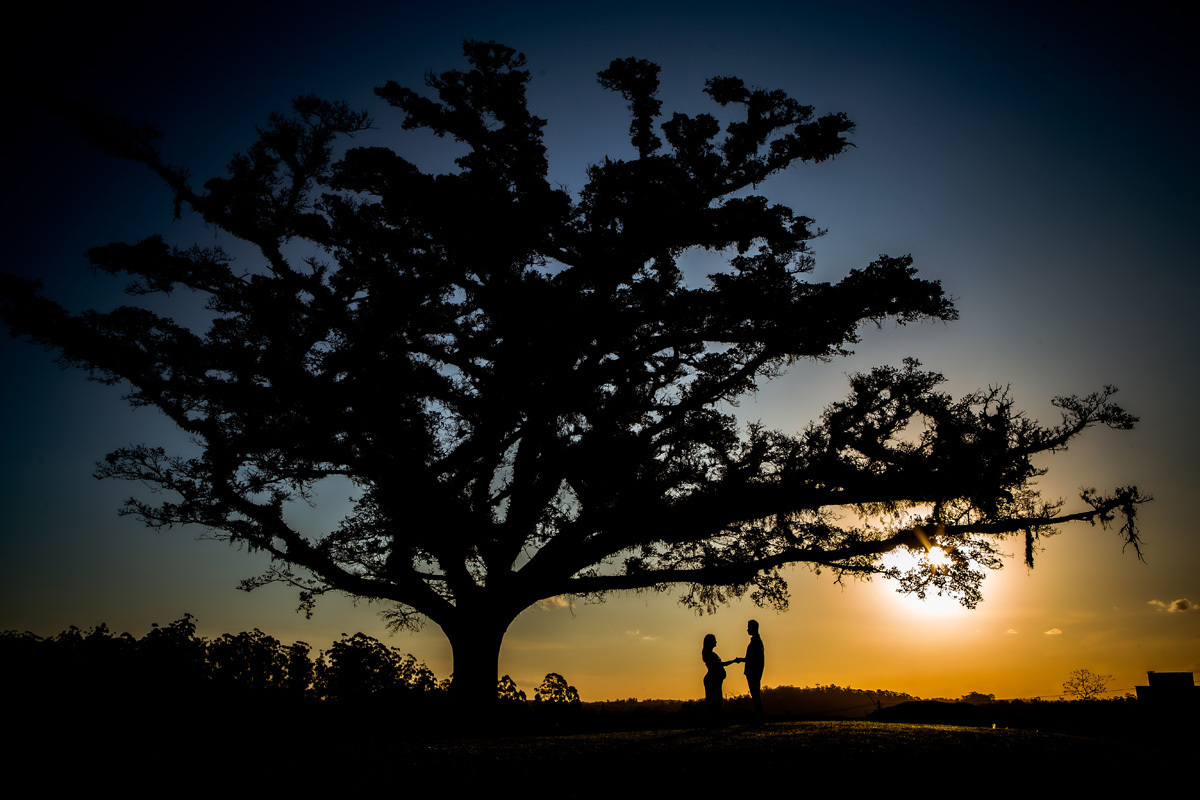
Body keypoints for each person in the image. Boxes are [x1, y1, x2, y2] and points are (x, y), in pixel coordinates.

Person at [701, 633, 738, 717]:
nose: (716, 642)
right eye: (714, 640)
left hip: (716, 680)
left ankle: (716, 720)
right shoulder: (708, 655)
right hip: (712, 680)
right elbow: (719, 665)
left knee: (717, 701)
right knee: (714, 701)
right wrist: (733, 661)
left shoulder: (712, 654)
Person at [743, 619, 765, 718]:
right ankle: (758, 716)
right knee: (755, 693)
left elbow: (754, 658)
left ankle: (758, 716)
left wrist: (743, 660)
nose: (747, 630)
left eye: (749, 627)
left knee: (755, 694)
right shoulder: (756, 641)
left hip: (754, 672)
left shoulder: (756, 642)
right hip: (754, 671)